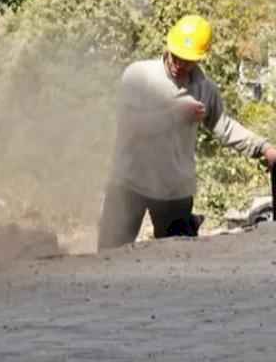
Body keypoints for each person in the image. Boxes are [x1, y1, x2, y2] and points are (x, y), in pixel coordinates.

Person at [97, 14, 276, 249]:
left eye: (188, 60)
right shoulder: (138, 76)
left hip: (174, 189)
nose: (179, 64)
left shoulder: (205, 89)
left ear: (200, 58)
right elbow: (129, 126)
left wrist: (264, 147)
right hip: (128, 182)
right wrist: (174, 114)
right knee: (110, 253)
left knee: (178, 257)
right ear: (168, 47)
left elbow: (224, 126)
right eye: (177, 56)